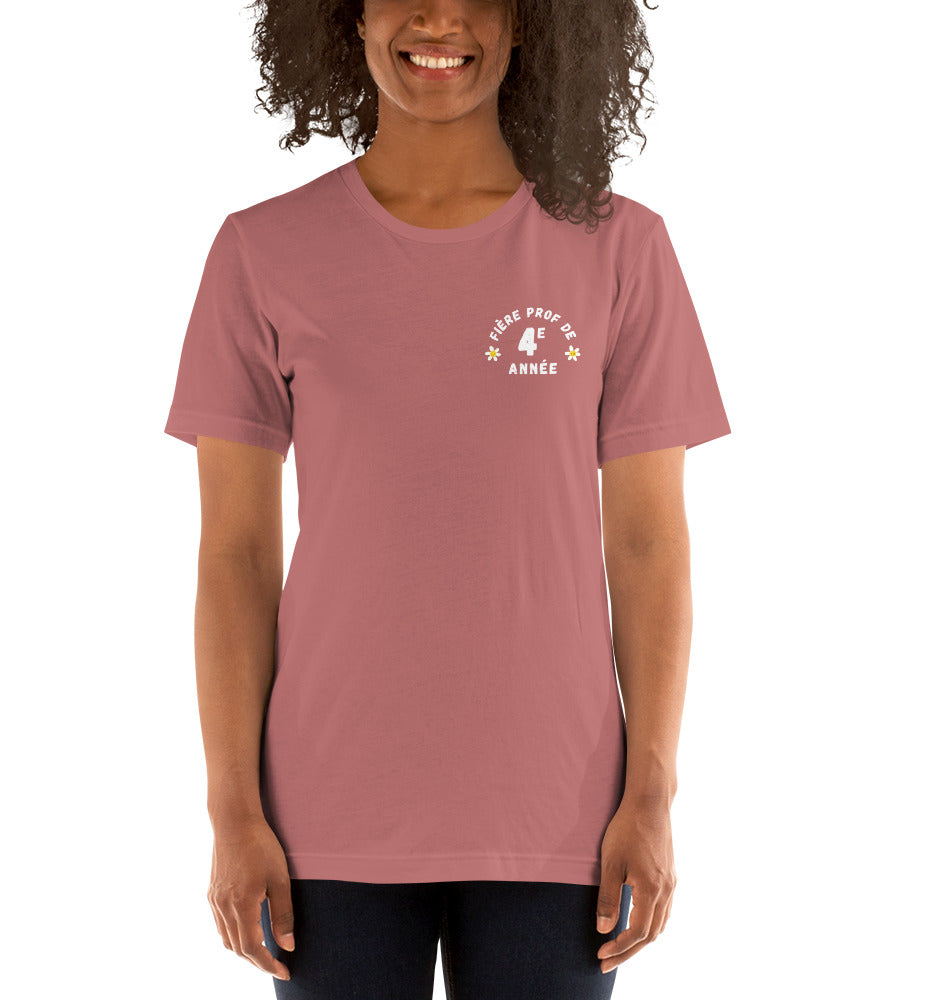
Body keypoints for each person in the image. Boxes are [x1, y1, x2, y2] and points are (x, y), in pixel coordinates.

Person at [163, 0, 731, 996]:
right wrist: (232, 812)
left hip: (559, 817)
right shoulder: (262, 251)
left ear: (532, 22)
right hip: (324, 819)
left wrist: (651, 796)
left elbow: (648, 546)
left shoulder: (620, 248)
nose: (439, 18)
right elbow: (236, 558)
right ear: (344, 15)